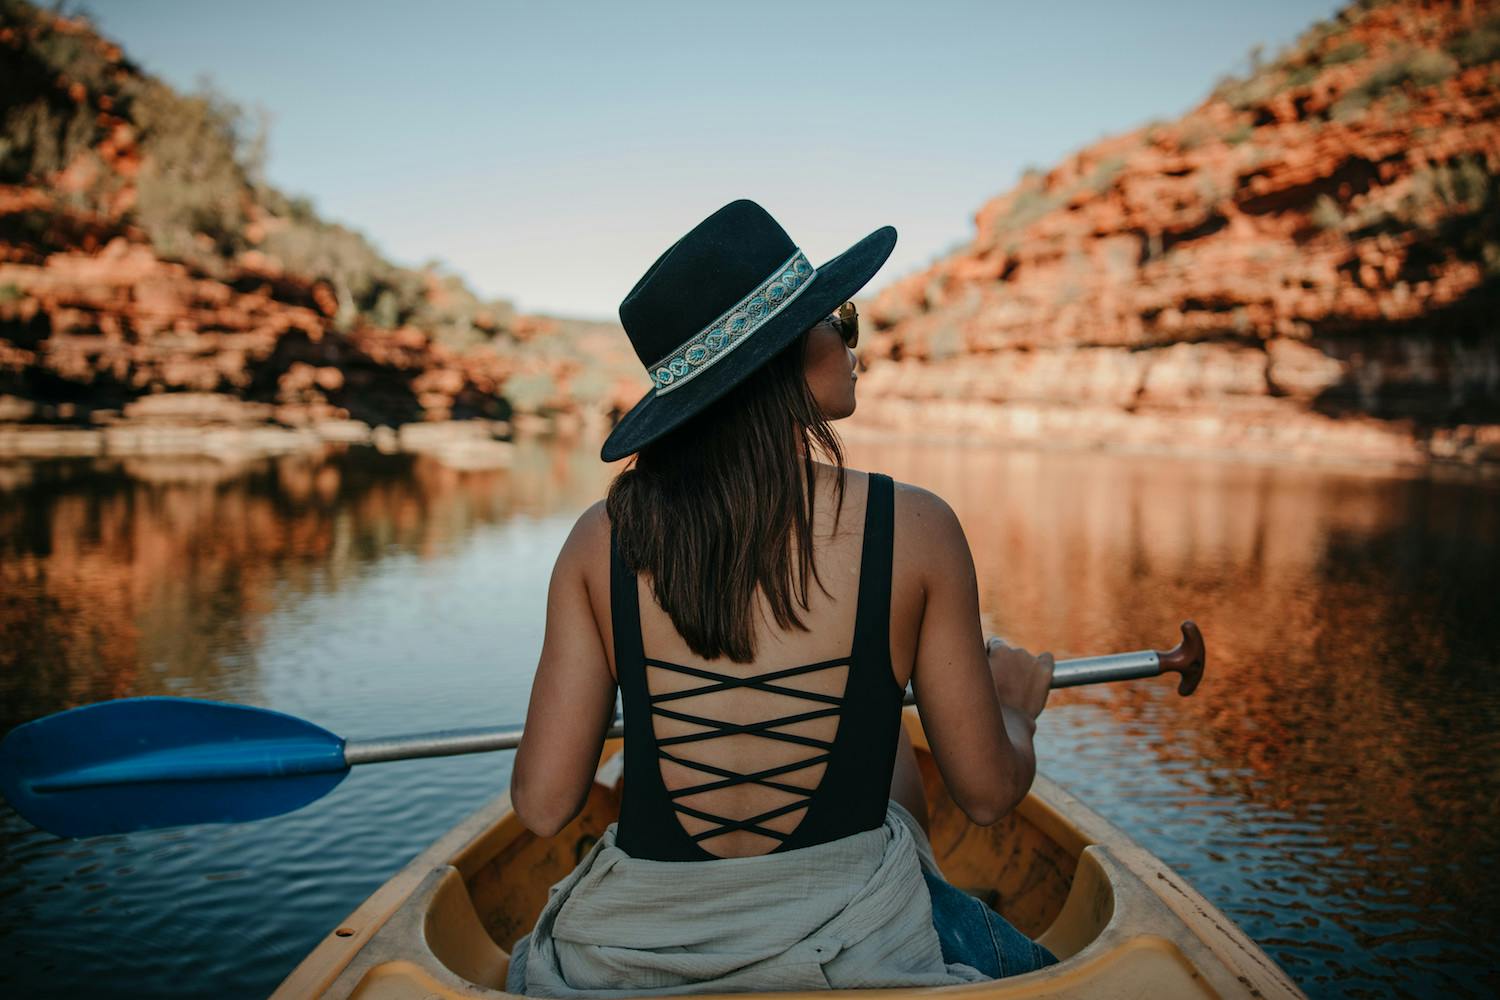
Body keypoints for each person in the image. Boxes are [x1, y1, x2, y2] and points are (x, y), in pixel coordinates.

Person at [506, 199, 1057, 996]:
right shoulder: (918, 527)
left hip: (627, 954)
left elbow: (543, 805)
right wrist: (1014, 710)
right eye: (843, 319)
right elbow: (987, 793)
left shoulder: (599, 539)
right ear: (785, 356)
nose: (857, 342)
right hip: (853, 951)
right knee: (894, 746)